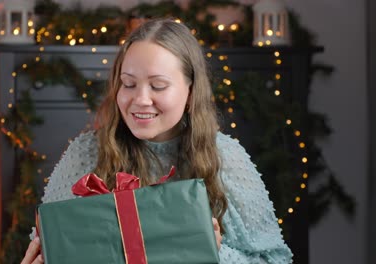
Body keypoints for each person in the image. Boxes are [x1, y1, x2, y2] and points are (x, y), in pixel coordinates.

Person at [21, 18, 293, 264]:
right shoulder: (86, 152)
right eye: (128, 84)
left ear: (190, 91)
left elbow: (276, 260)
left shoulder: (225, 155)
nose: (140, 99)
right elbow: (47, 244)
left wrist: (212, 250)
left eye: (158, 85)